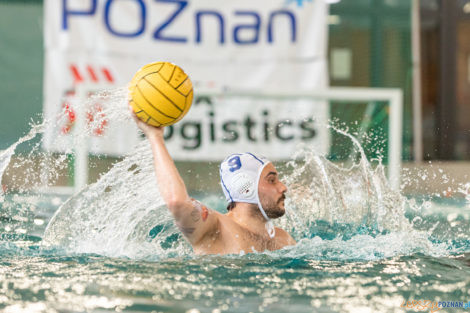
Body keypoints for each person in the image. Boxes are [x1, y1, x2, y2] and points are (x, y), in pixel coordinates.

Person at [130, 108, 296, 255]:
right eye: (272, 180)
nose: (283, 187)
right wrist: (155, 136)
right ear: (245, 187)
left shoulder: (283, 240)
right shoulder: (216, 228)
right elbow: (177, 202)